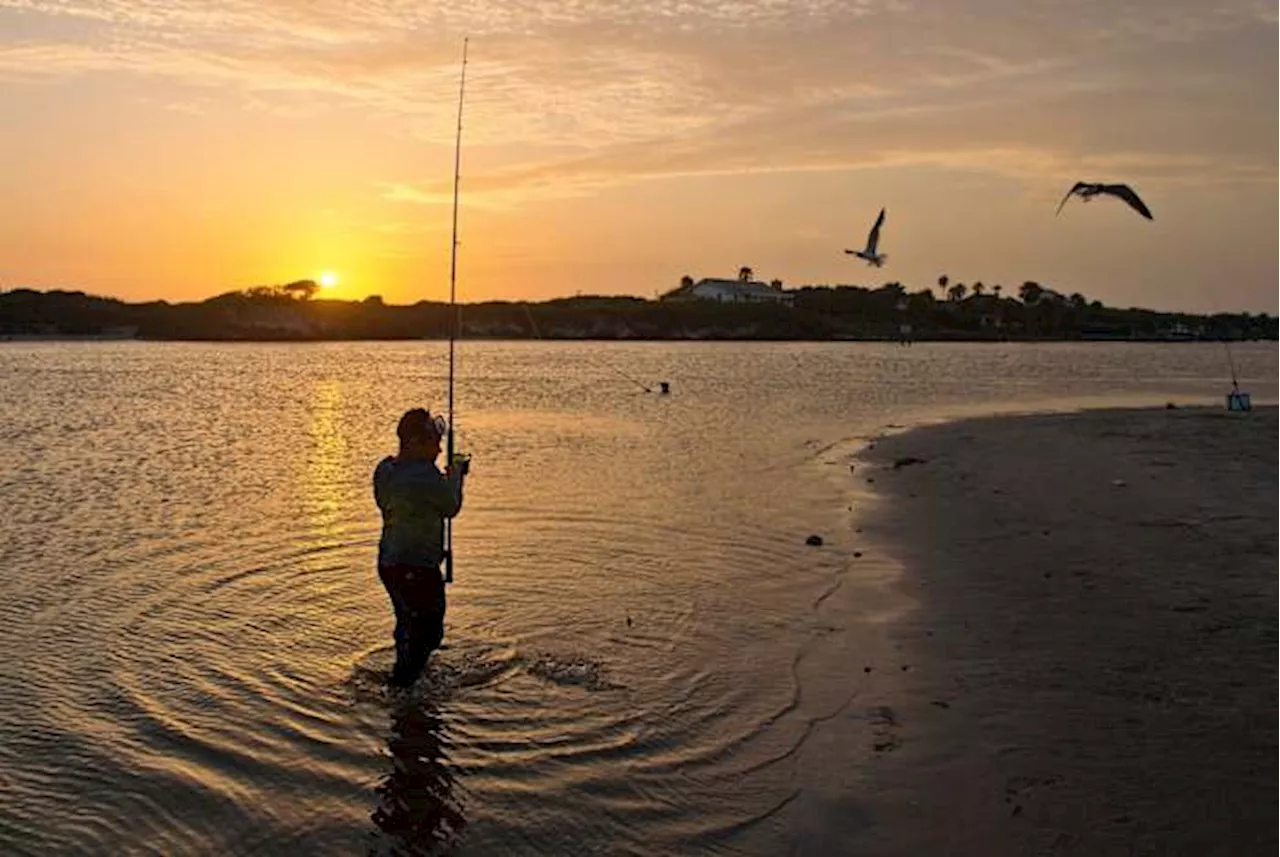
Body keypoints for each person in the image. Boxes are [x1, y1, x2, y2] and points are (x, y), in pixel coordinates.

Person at [373, 408, 468, 688]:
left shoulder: (384, 470)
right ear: (414, 442)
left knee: (409, 623)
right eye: (433, 442)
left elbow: (388, 500)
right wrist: (456, 476)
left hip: (389, 565)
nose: (439, 449)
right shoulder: (426, 476)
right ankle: (403, 689)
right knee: (429, 632)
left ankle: (405, 676)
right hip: (418, 568)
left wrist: (443, 478)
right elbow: (451, 507)